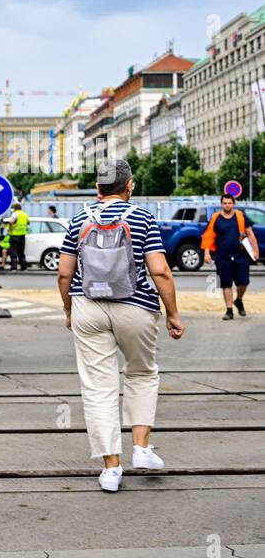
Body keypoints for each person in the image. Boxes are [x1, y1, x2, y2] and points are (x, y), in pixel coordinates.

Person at [56, 159, 184, 493]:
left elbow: (64, 274)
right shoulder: (142, 217)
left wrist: (70, 309)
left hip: (89, 308)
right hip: (135, 307)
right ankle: (142, 448)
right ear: (129, 186)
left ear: (98, 188)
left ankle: (111, 469)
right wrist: (173, 313)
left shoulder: (79, 218)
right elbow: (160, 272)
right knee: (142, 372)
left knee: (99, 387)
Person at [201, 192, 258, 320]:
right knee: (226, 284)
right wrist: (206, 253)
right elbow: (208, 236)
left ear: (233, 204)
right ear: (221, 204)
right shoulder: (216, 218)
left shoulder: (241, 216)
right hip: (222, 256)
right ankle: (229, 310)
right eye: (225, 203)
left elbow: (250, 234)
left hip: (241, 255)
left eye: (229, 203)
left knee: (243, 282)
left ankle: (239, 300)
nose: (227, 205)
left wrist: (255, 251)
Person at [6, 201, 30, 271]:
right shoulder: (25, 214)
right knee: (21, 252)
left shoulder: (15, 214)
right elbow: (28, 222)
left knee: (13, 252)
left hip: (14, 236)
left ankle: (14, 267)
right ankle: (24, 266)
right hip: (22, 235)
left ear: (14, 208)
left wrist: (10, 229)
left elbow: (11, 222)